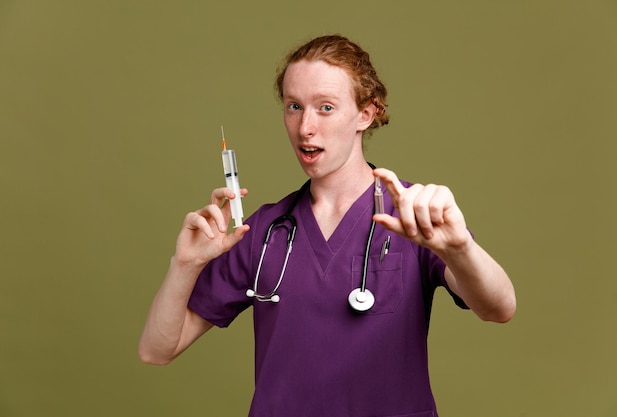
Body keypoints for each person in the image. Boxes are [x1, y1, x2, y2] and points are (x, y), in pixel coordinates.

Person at [139, 34, 516, 417]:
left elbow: (499, 307)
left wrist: (459, 248)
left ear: (365, 114)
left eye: (326, 108)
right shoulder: (266, 233)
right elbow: (156, 349)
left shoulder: (414, 215)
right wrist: (184, 265)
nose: (305, 127)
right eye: (294, 106)